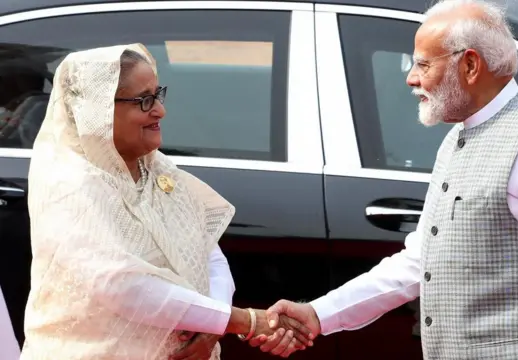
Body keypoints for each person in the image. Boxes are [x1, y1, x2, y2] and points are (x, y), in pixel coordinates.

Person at [253, 0, 518, 359]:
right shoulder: (460, 135)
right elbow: (421, 261)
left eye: (423, 65)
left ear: (470, 65)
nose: (411, 78)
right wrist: (320, 313)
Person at [20, 44, 310, 359]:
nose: (160, 110)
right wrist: (243, 320)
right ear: (97, 110)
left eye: (158, 95)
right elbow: (121, 286)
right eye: (144, 100)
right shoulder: (72, 185)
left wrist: (213, 323)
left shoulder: (155, 167)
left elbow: (210, 255)